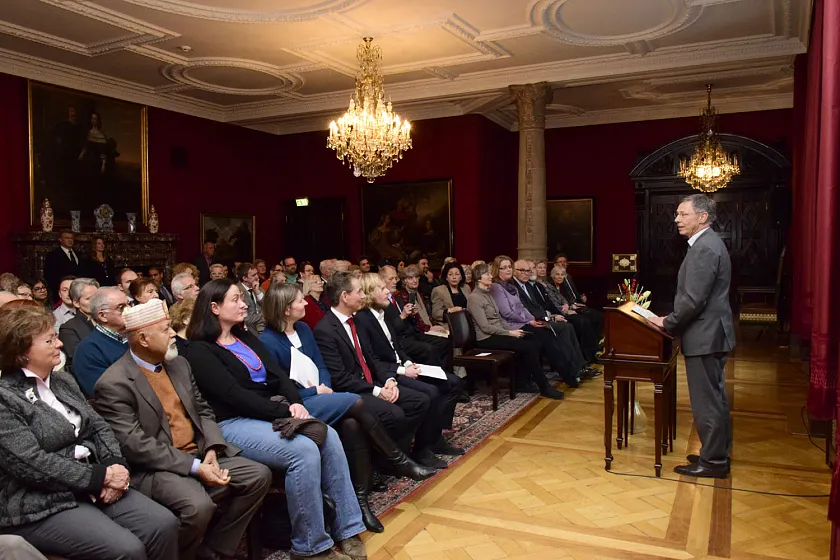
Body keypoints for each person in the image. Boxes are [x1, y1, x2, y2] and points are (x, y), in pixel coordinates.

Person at [184, 279, 368, 560]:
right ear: (214, 307)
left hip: (268, 412)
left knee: (328, 435)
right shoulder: (199, 350)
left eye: (242, 298)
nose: (244, 304)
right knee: (303, 450)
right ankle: (310, 547)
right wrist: (285, 411)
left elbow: (278, 375)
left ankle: (348, 527)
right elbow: (234, 396)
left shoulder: (244, 336)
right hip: (232, 423)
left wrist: (296, 403)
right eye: (235, 299)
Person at [94, 299, 272, 559]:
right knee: (198, 506)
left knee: (258, 475)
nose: (173, 334)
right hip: (158, 467)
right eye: (165, 329)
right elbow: (135, 445)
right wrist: (196, 467)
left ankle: (212, 550)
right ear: (143, 339)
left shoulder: (179, 364)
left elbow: (203, 410)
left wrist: (211, 448)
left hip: (199, 453)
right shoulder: (114, 383)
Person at [0, 305, 179, 559]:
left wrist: (115, 464)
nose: (60, 344)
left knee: (163, 524)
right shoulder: (5, 397)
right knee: (126, 549)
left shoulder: (62, 380)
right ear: (20, 353)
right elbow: (31, 463)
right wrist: (100, 477)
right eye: (49, 340)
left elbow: (98, 425)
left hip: (93, 481)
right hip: (39, 501)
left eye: (56, 336)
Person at [259, 283, 436, 532]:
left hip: (325, 394)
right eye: (300, 300)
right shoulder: (267, 341)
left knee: (352, 424)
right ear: (286, 309)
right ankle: (399, 460)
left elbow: (321, 366)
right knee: (356, 401)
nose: (306, 303)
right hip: (300, 402)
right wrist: (315, 392)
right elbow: (278, 389)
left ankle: (361, 502)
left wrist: (324, 386)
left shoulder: (304, 329)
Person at [648, 194, 735, 479]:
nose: (677, 219)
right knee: (715, 399)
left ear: (702, 217)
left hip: (705, 336)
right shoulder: (707, 243)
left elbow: (694, 299)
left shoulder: (705, 248)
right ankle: (716, 454)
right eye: (677, 214)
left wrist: (667, 322)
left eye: (683, 214)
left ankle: (713, 462)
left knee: (706, 402)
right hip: (710, 334)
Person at [313, 273, 435, 466]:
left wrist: (389, 380)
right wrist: (378, 391)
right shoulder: (325, 330)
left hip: (373, 382)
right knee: (395, 414)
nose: (363, 296)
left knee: (419, 401)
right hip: (352, 391)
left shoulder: (356, 321)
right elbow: (340, 378)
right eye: (359, 292)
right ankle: (391, 461)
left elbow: (372, 358)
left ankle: (399, 458)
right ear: (345, 296)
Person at [355, 273, 464, 462]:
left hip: (402, 366)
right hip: (388, 373)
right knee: (431, 393)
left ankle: (435, 436)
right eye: (382, 288)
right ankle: (421, 448)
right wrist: (403, 370)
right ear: (370, 293)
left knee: (454, 383)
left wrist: (407, 363)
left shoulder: (384, 312)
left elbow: (397, 347)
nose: (388, 292)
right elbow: (373, 360)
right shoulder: (363, 320)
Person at [467, 263, 564, 399]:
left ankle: (522, 381)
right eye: (487, 274)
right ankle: (544, 387)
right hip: (486, 338)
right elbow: (485, 327)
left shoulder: (488, 294)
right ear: (478, 278)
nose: (491, 276)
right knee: (528, 347)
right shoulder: (474, 298)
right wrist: (510, 333)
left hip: (498, 332)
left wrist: (513, 329)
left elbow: (500, 319)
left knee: (535, 341)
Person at [490, 256, 589, 388]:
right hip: (513, 326)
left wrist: (531, 319)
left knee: (551, 334)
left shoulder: (510, 286)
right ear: (497, 270)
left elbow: (522, 308)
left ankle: (571, 373)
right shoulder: (497, 287)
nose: (508, 270)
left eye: (509, 267)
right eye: (504, 267)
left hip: (526, 322)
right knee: (546, 337)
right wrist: (529, 320)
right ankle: (563, 377)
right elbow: (507, 313)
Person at [72, 287, 129, 396]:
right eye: (121, 307)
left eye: (129, 304)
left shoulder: (136, 336)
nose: (129, 310)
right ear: (103, 316)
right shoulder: (88, 350)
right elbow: (105, 394)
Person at [58, 278, 100, 372]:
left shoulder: (106, 320)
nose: (96, 302)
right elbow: (79, 360)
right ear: (76, 303)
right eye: (89, 298)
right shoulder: (68, 329)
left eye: (97, 298)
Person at [43, 230, 82, 300]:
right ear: (60, 240)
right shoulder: (53, 255)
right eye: (67, 238)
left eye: (71, 238)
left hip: (78, 291)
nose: (70, 240)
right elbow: (50, 275)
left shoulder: (78, 254)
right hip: (61, 293)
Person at [235, 262, 265, 334]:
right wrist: (264, 315)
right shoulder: (236, 291)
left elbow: (268, 307)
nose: (257, 277)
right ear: (244, 278)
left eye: (257, 274)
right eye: (253, 275)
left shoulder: (260, 289)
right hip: (248, 331)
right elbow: (245, 319)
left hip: (264, 328)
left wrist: (257, 292)